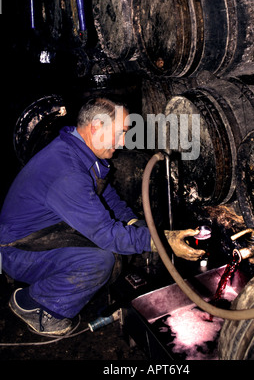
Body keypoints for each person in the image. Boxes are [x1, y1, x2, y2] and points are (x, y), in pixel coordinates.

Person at [0, 97, 202, 336]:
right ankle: (37, 307)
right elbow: (107, 235)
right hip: (19, 250)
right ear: (96, 127)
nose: (124, 141)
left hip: (50, 231)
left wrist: (133, 222)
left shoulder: (78, 150)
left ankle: (46, 289)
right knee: (99, 261)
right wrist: (160, 239)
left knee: (115, 244)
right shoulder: (67, 172)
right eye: (121, 133)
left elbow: (107, 197)